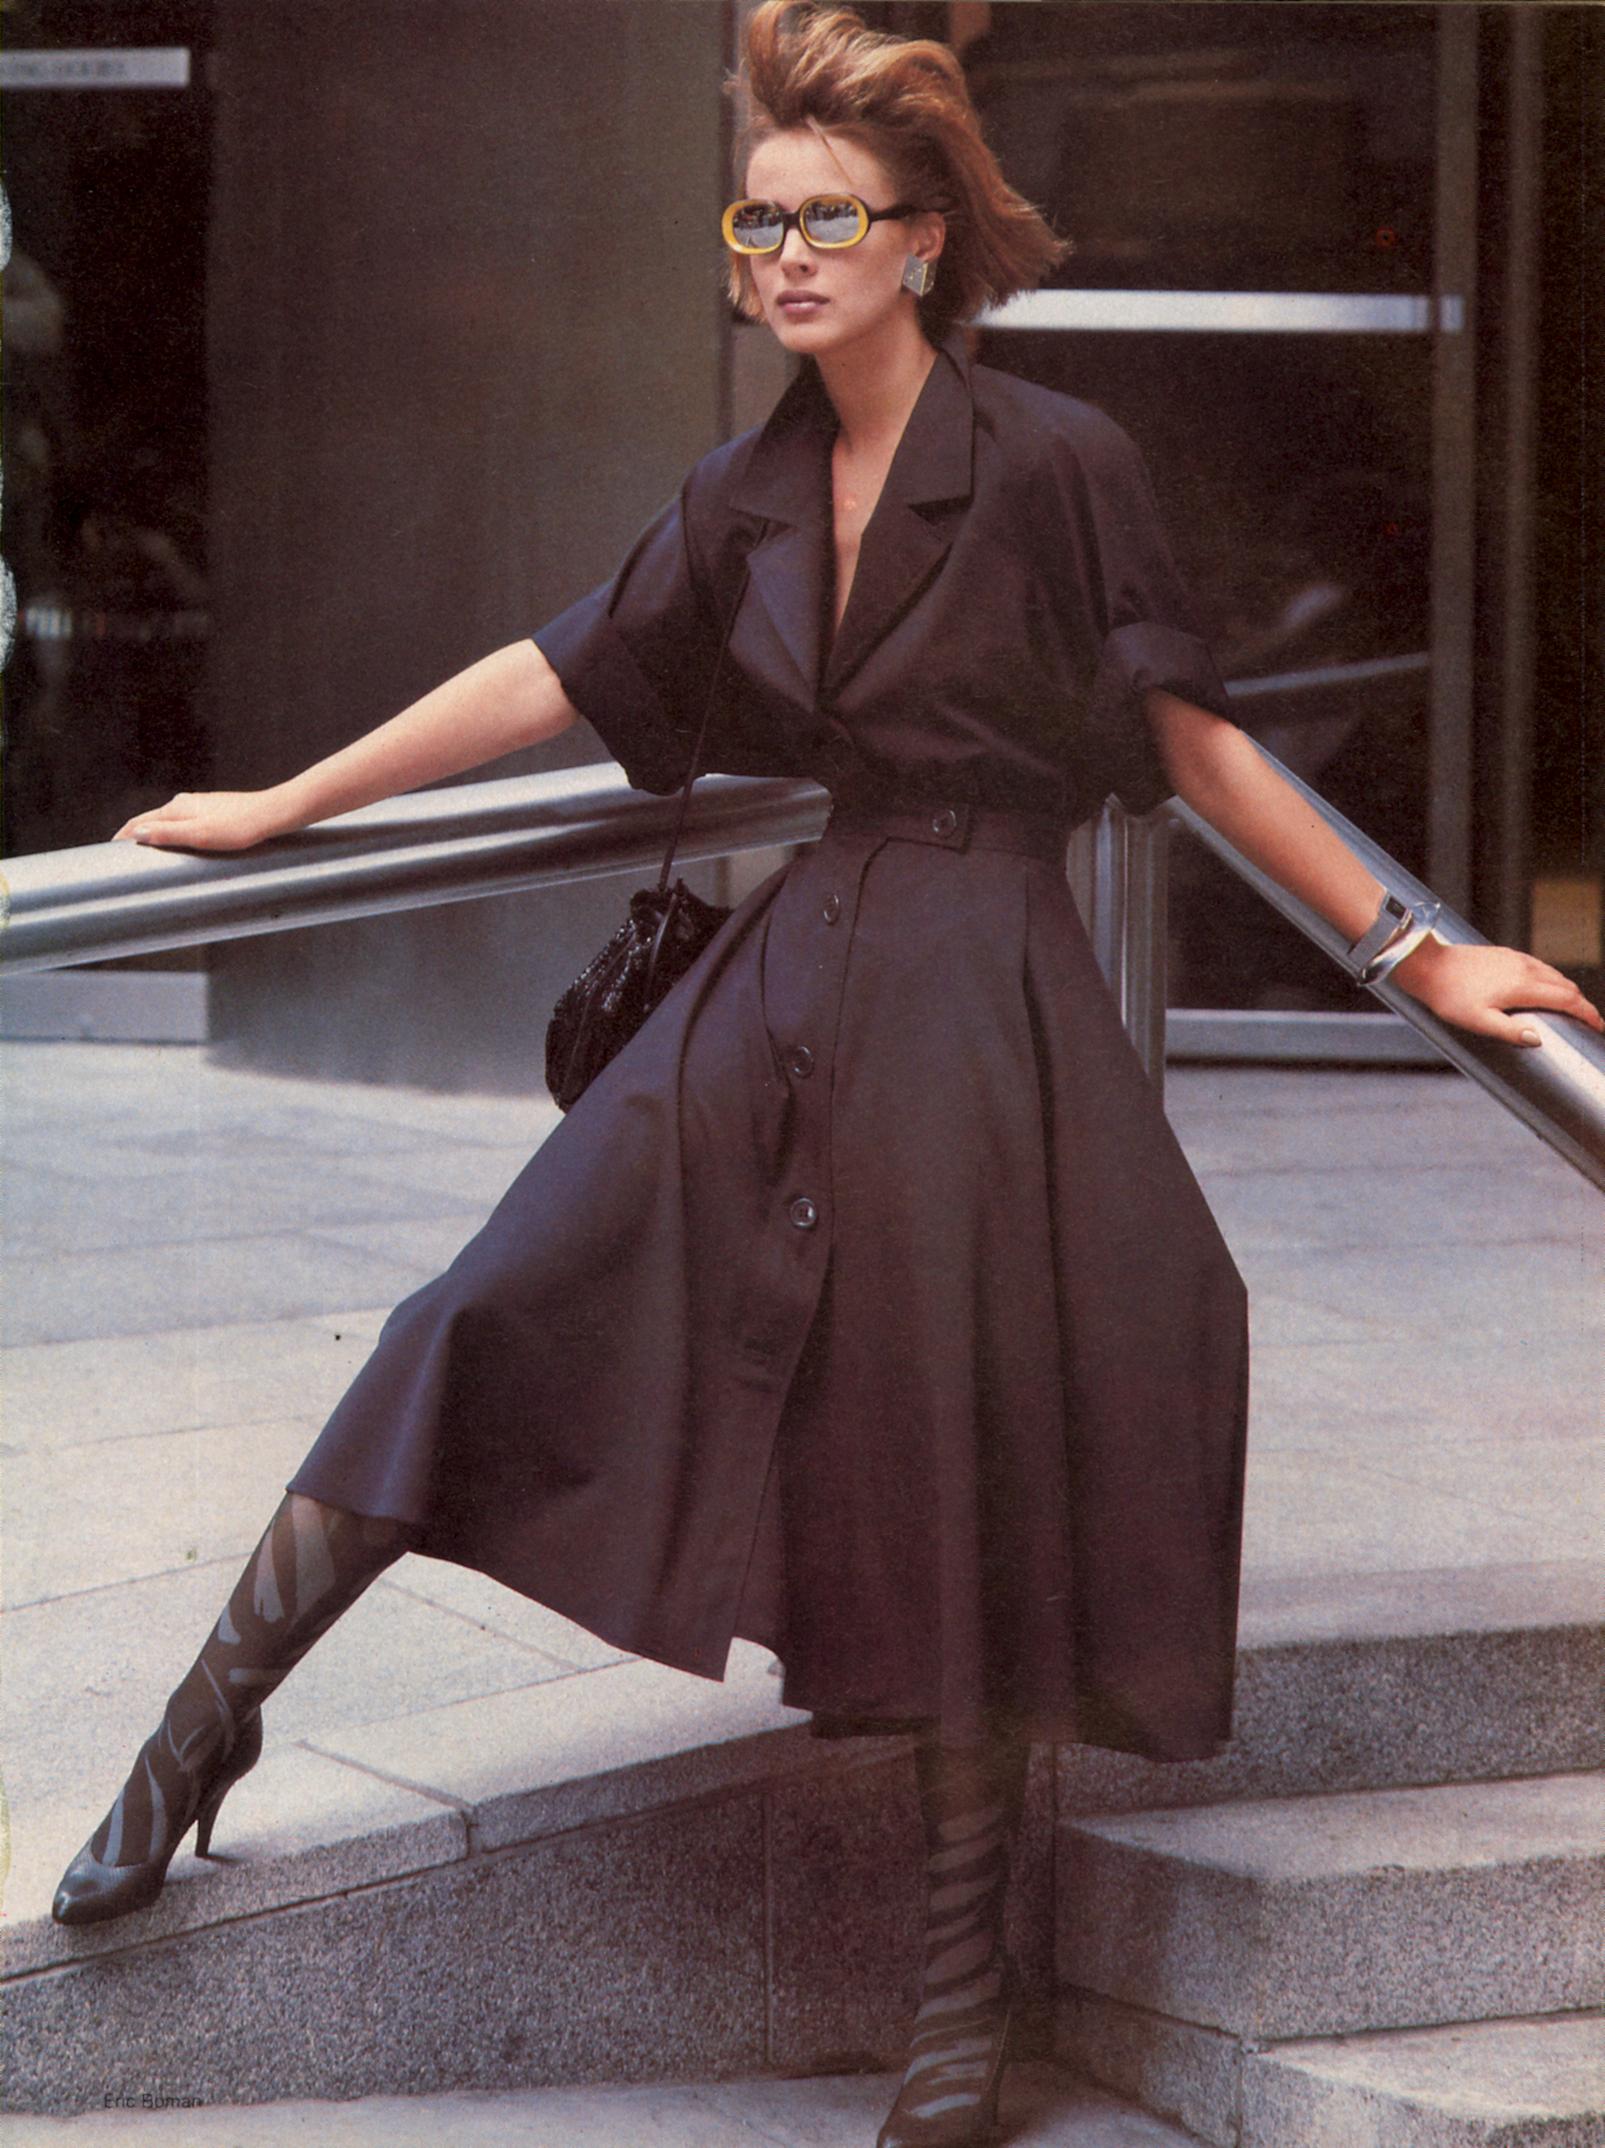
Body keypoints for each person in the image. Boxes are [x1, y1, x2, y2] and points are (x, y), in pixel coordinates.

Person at [50, 7, 1602, 2144]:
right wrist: (282, 802)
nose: (782, 256)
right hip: (788, 979)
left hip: (980, 993)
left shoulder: (1055, 461)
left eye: (827, 221)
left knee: (954, 1454)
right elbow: (553, 669)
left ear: (924, 241)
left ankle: (962, 2012)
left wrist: (1419, 954)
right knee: (480, 1312)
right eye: (755, 221)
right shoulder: (748, 487)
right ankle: (194, 1738)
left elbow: (1191, 744)